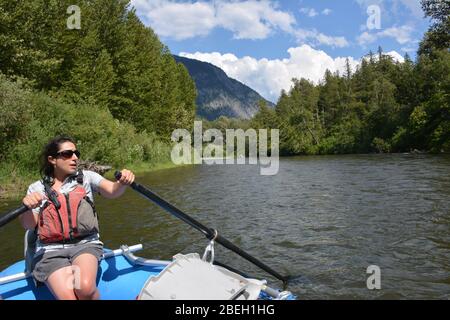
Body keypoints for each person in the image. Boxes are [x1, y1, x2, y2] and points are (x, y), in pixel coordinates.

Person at [20, 135, 135, 300]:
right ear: (52, 159)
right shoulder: (37, 188)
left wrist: (122, 182)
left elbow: (112, 190)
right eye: (67, 154)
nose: (75, 158)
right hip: (50, 251)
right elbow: (29, 225)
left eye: (76, 153)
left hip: (85, 245)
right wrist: (27, 207)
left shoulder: (87, 177)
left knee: (85, 289)